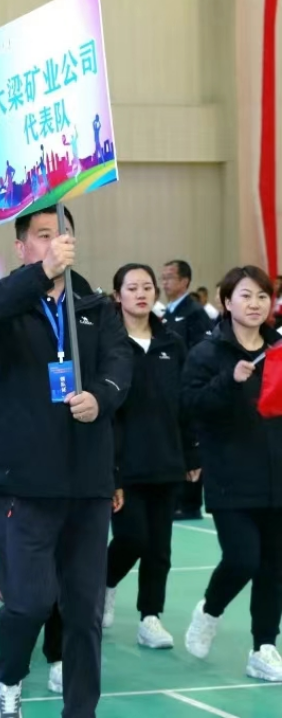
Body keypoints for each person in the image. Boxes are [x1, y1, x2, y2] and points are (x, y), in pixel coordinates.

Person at [0, 205, 132, 718]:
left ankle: (81, 711)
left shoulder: (96, 306)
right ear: (22, 247)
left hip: (87, 482)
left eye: (63, 233)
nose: (56, 241)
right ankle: (7, 677)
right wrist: (42, 274)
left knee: (84, 611)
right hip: (24, 482)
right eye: (42, 235)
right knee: (30, 602)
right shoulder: (7, 306)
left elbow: (120, 363)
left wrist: (101, 396)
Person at [182, 265, 282, 682]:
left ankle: (264, 647)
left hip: (276, 476)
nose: (255, 304)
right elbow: (190, 406)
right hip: (230, 476)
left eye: (262, 296)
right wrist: (229, 380)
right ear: (226, 301)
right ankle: (210, 610)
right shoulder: (207, 353)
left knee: (274, 567)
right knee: (242, 559)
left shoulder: (278, 350)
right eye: (245, 295)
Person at [102, 264, 199, 649]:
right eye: (132, 288)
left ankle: (150, 617)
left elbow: (185, 404)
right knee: (132, 538)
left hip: (166, 460)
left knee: (159, 548)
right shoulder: (108, 346)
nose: (141, 294)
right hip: (123, 464)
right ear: (117, 296)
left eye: (147, 287)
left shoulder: (172, 344)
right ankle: (105, 584)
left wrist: (191, 452)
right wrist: (109, 467)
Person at [161, 259, 213, 522]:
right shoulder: (167, 313)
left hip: (189, 386)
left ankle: (191, 502)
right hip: (171, 388)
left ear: (184, 281)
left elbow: (201, 351)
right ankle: (178, 499)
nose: (165, 283)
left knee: (191, 442)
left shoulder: (194, 312)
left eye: (170, 277)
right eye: (163, 277)